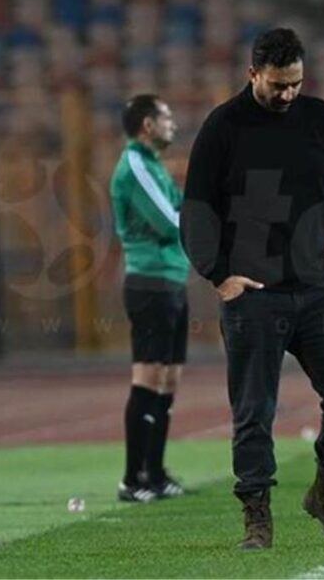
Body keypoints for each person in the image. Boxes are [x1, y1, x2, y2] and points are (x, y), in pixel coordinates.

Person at [181, 28, 324, 549]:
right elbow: (197, 209)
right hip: (254, 294)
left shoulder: (319, 117)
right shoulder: (223, 127)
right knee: (254, 411)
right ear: (252, 74)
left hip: (318, 287)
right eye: (278, 85)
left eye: (296, 84)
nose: (288, 95)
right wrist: (218, 273)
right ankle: (257, 518)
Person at [110, 94, 190, 502]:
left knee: (168, 378)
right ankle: (131, 478)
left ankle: (155, 473)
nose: (172, 123)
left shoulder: (154, 165)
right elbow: (169, 219)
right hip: (150, 282)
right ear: (147, 125)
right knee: (147, 376)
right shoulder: (135, 165)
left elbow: (181, 208)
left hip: (171, 280)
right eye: (166, 116)